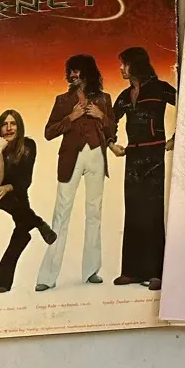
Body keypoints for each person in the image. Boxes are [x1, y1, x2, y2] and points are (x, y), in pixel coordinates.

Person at [36, 55, 116, 292]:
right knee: (61, 214)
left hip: (96, 156)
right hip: (71, 158)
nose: (72, 75)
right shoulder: (62, 100)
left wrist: (101, 116)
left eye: (77, 71)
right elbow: (48, 132)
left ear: (88, 72)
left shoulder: (104, 99)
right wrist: (71, 117)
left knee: (94, 212)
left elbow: (112, 128)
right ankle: (47, 276)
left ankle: (91, 270)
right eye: (70, 71)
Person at [109, 48, 177, 291]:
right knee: (134, 211)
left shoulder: (160, 88)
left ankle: (156, 272)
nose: (121, 68)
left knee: (153, 212)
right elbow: (110, 120)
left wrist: (177, 138)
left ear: (136, 65)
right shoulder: (125, 95)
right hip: (133, 156)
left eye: (124, 64)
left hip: (154, 155)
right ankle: (131, 271)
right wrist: (111, 143)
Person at [0, 110, 57, 293]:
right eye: (4, 124)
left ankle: (2, 281)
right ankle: (38, 222)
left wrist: (9, 187)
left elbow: (25, 180)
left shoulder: (28, 145)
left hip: (19, 193)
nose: (9, 128)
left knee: (21, 231)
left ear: (19, 127)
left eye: (13, 123)